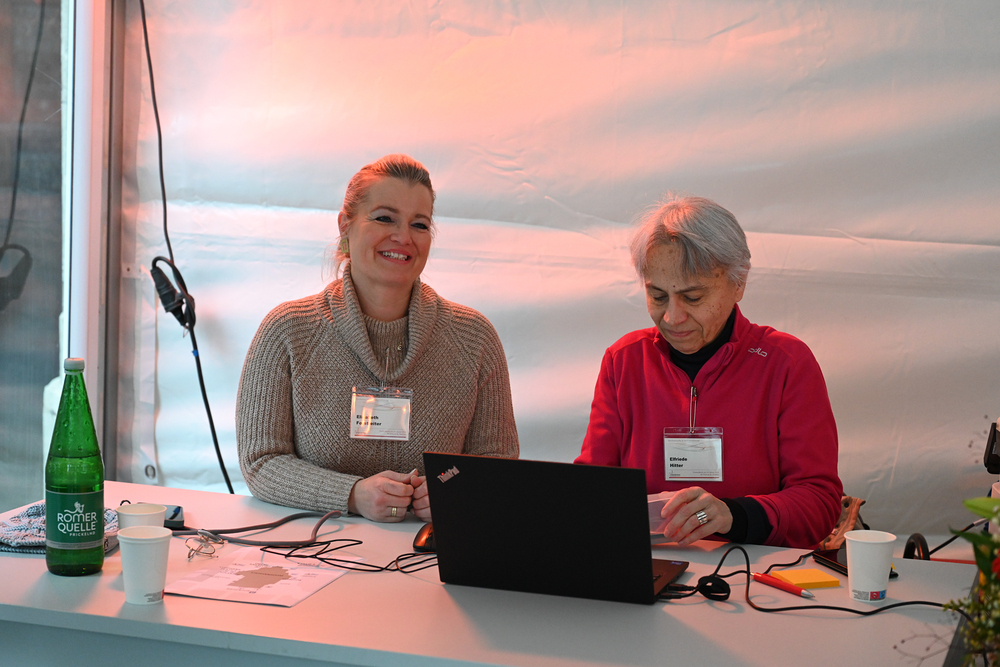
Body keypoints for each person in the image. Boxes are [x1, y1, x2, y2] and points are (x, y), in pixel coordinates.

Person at [236, 154, 519, 522]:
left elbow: (497, 462)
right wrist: (352, 494)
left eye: (419, 224)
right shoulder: (287, 331)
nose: (403, 237)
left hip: (427, 551)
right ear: (345, 226)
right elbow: (261, 462)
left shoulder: (474, 338)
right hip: (317, 548)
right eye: (385, 218)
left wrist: (456, 488)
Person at [576, 196, 842, 549]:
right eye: (658, 296)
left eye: (693, 297)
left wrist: (733, 515)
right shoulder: (625, 360)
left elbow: (819, 502)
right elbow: (591, 488)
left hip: (751, 569)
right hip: (651, 564)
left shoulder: (786, 363)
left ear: (738, 283)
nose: (673, 317)